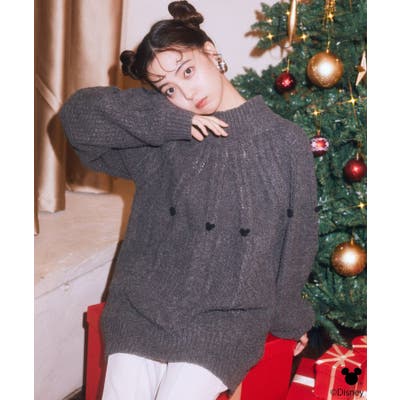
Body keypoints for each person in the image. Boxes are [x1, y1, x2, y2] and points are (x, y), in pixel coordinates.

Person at [59, 1, 319, 399]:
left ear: (211, 52)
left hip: (225, 320)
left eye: (187, 71)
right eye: (168, 89)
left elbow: (297, 240)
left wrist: (289, 320)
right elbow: (76, 116)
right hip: (143, 306)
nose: (186, 93)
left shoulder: (285, 142)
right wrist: (170, 118)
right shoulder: (167, 139)